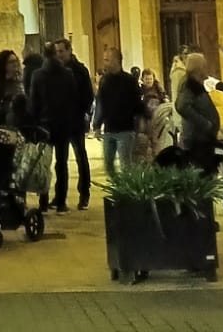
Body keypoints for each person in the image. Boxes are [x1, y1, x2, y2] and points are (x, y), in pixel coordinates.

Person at [29, 42, 90, 212]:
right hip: (64, 123)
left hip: (45, 125)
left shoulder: (38, 75)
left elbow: (34, 102)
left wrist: (34, 122)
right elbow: (72, 97)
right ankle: (61, 201)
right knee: (61, 163)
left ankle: (43, 199)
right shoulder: (67, 74)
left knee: (44, 163)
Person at [95, 49, 143, 177]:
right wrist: (97, 125)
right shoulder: (104, 80)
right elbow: (101, 103)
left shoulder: (129, 81)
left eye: (107, 60)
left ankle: (127, 192)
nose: (104, 63)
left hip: (125, 130)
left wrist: (139, 122)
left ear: (116, 60)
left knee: (126, 165)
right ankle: (118, 188)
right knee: (108, 165)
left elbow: (137, 103)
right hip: (109, 129)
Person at [175, 52, 220, 173]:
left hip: (203, 139)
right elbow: (182, 106)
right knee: (202, 173)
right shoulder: (189, 84)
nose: (207, 67)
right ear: (198, 67)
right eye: (204, 65)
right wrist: (205, 123)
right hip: (197, 139)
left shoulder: (196, 83)